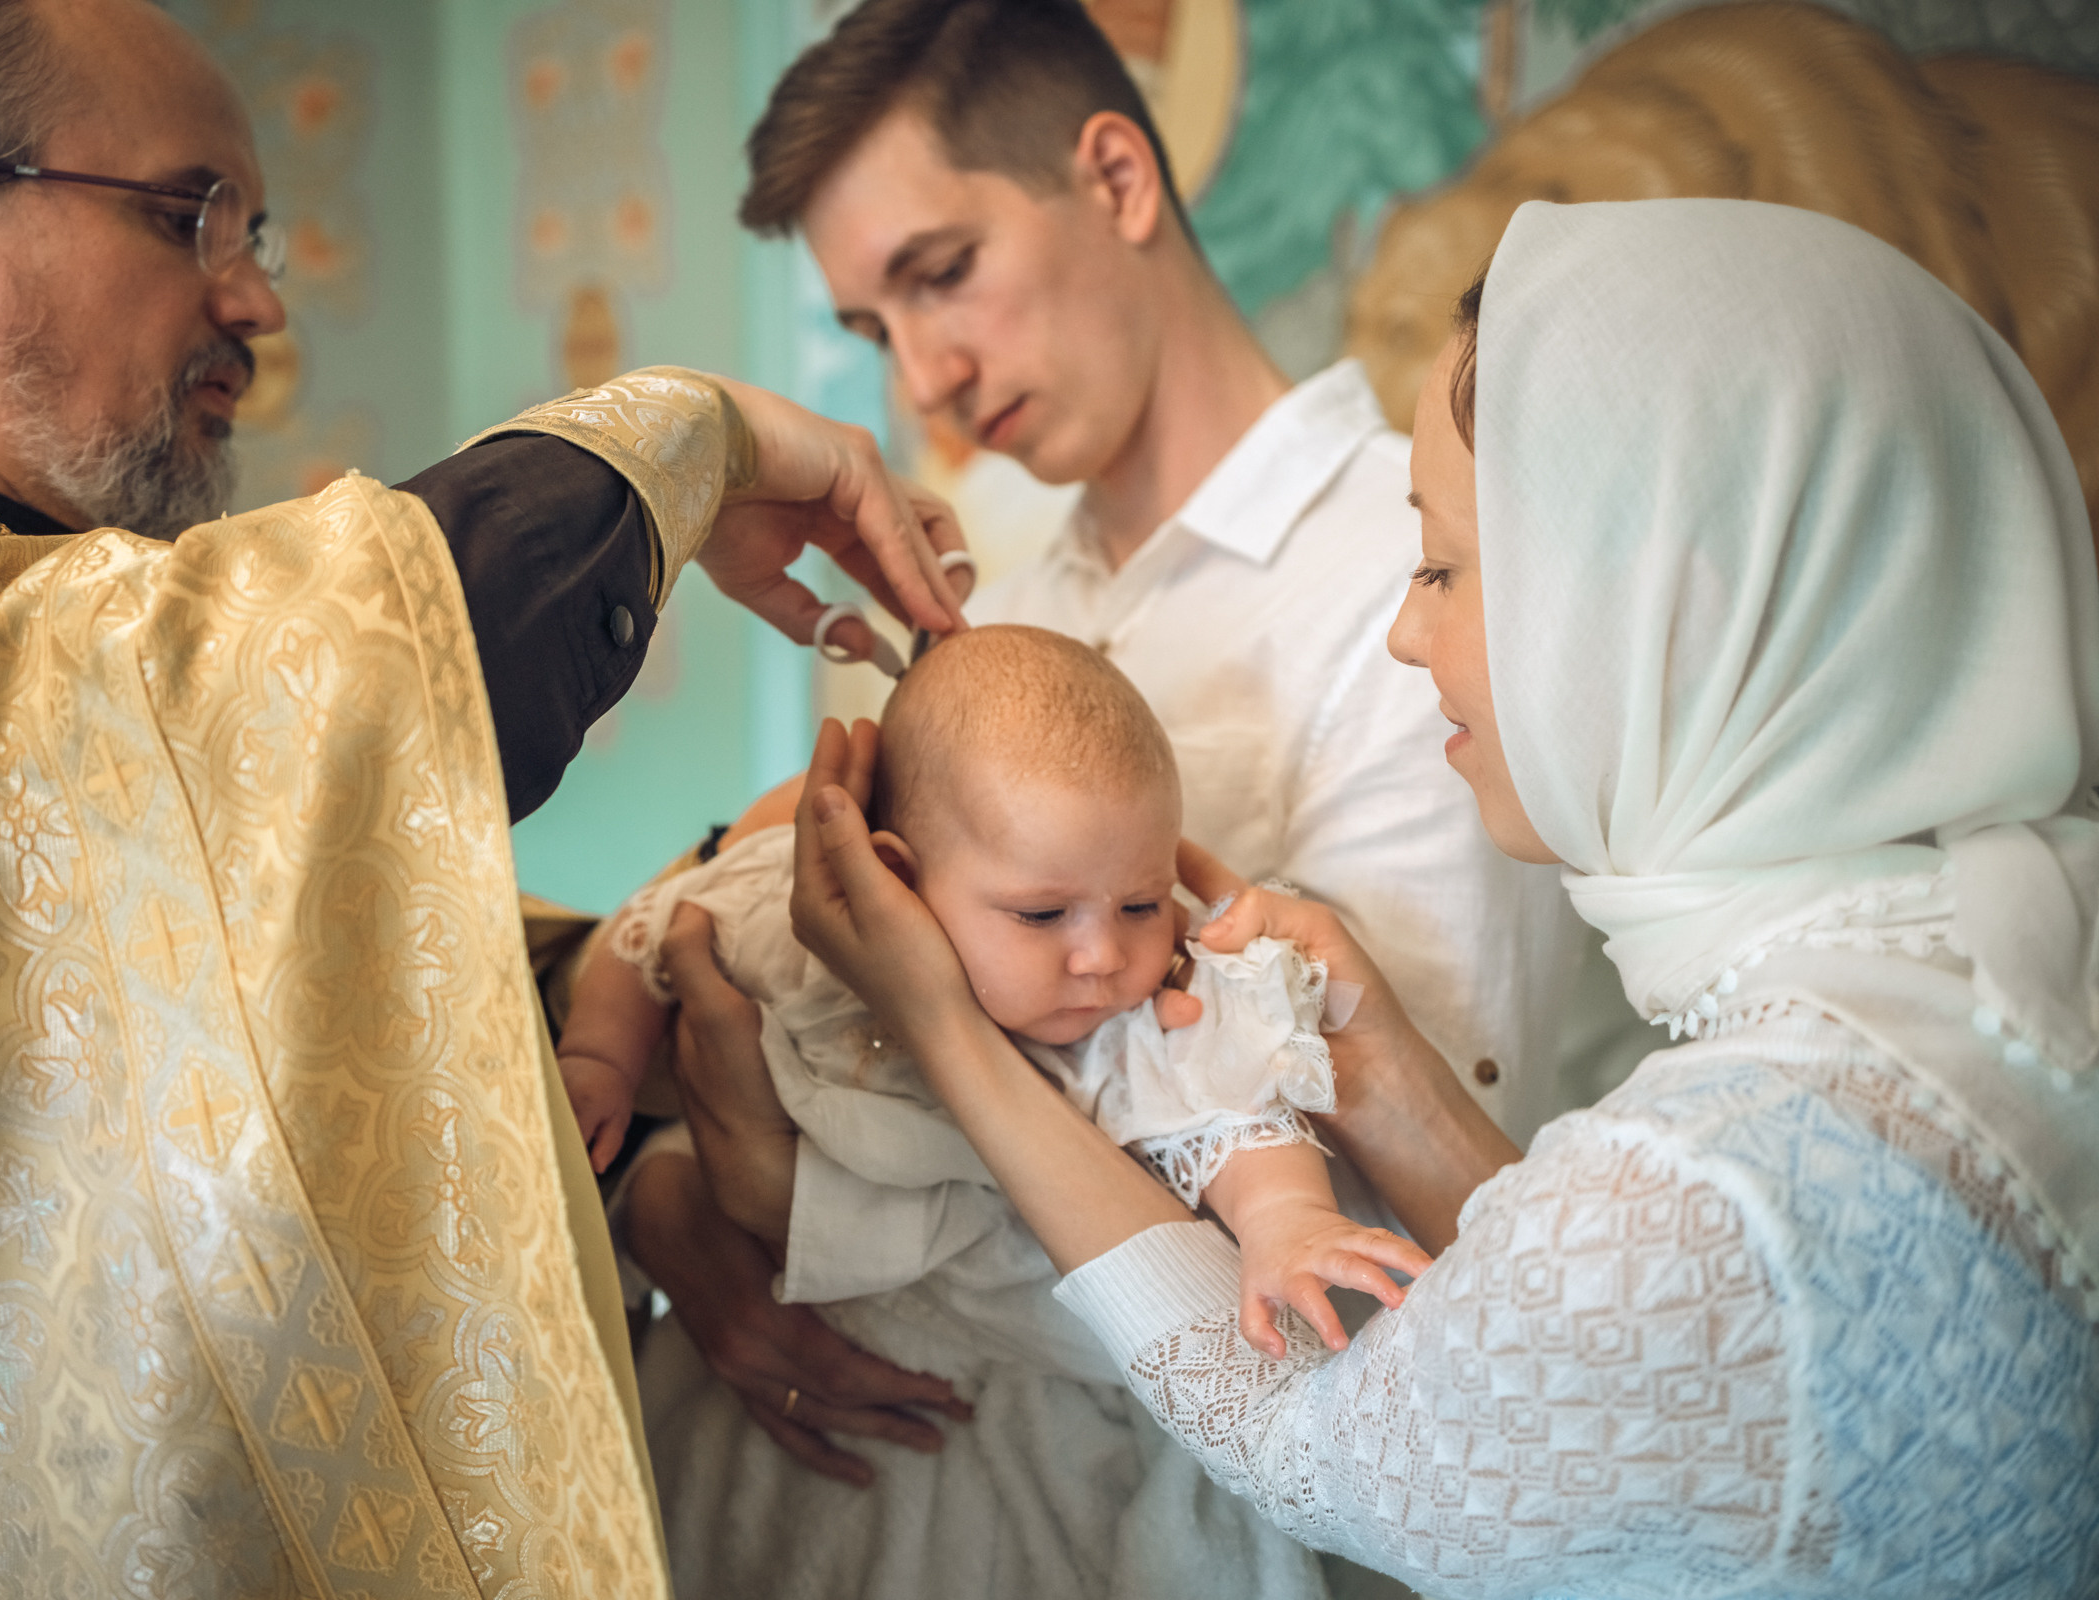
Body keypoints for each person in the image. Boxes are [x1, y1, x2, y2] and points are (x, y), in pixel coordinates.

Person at [0, 0, 968, 1594]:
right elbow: (235, 694)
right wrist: (686, 434)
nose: (258, 303)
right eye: (188, 220)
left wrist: (682, 940)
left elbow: (264, 989)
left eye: (260, 234)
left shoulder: (14, 609)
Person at [765, 198, 2099, 1595]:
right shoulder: (2005, 965)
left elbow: (1316, 1441)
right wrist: (1388, 1074)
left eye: (1446, 568)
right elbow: (1629, 1359)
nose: (1406, 631)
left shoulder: (1710, 1191)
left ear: (1663, 605)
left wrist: (947, 1030)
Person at [620, 0, 1642, 1499]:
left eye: (942, 276)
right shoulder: (993, 633)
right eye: (872, 330)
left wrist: (797, 1226)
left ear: (1116, 177)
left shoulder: (1415, 582)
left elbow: (1359, 1260)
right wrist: (667, 1202)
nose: (924, 381)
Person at [566, 625, 1425, 1597]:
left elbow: (1226, 1115)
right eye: (1041, 914)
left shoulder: (1131, 1020)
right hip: (790, 1343)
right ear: (894, 873)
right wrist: (598, 1054)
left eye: (1141, 905)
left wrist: (1288, 1220)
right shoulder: (795, 931)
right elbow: (656, 931)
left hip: (1039, 1375)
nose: (1100, 956)